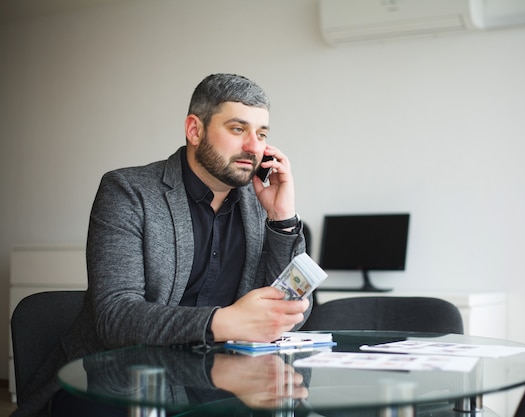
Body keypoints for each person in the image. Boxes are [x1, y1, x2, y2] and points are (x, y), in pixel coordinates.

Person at [11, 73, 311, 417]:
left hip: (221, 380)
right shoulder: (128, 192)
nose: (254, 147)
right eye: (237, 129)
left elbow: (294, 312)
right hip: (119, 381)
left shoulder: (260, 205)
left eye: (261, 134)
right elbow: (115, 317)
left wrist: (282, 218)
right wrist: (224, 321)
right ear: (194, 130)